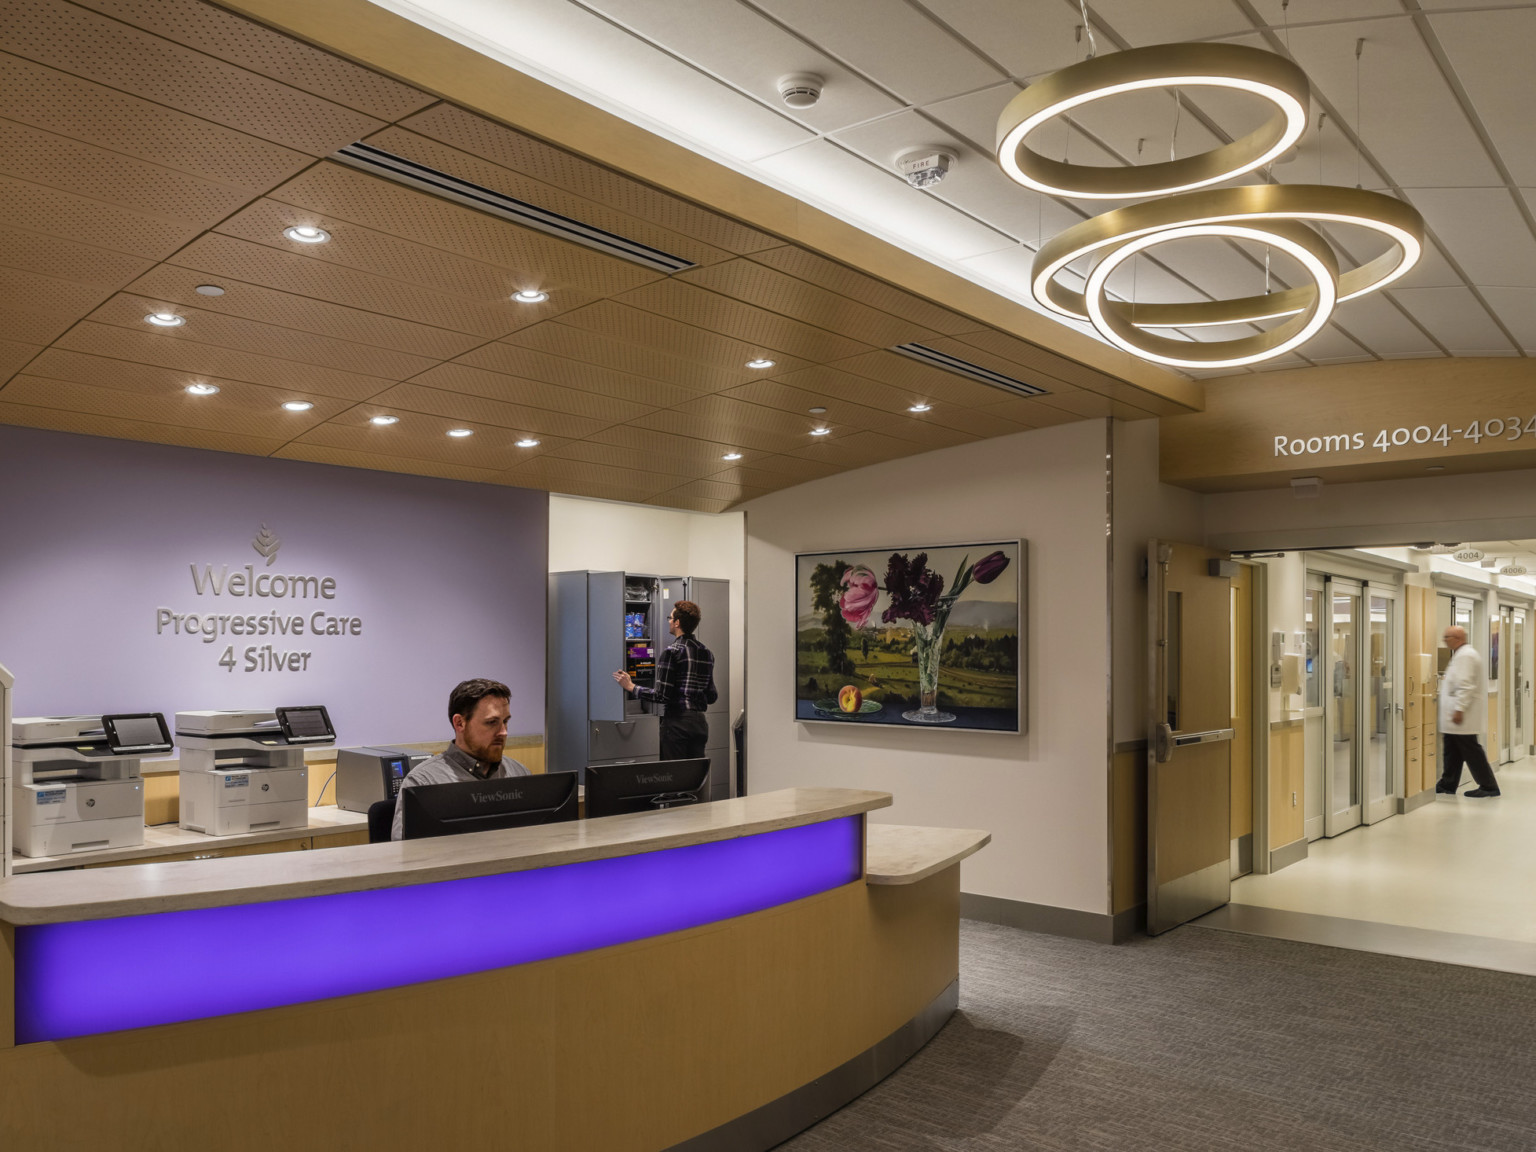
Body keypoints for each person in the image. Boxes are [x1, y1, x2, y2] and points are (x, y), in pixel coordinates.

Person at [391, 677, 530, 839]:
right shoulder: (423, 783)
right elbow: (405, 852)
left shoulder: (519, 773)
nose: (503, 732)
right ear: (460, 723)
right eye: (492, 722)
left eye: (505, 721)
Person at [613, 599, 717, 761]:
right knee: (695, 777)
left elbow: (661, 696)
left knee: (674, 777)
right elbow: (712, 696)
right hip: (699, 724)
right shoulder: (706, 652)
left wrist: (631, 686)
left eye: (670, 618)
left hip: (677, 723)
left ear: (677, 623)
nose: (668, 621)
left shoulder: (672, 652)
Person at [1436, 626, 1501, 798]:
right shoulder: (1461, 654)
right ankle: (1447, 784)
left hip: (1461, 716)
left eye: (1447, 636)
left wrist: (1459, 709)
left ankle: (1488, 786)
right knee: (1452, 750)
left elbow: (1466, 685)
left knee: (1471, 751)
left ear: (1457, 638)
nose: (1444, 640)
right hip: (1456, 717)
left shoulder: (1466, 656)